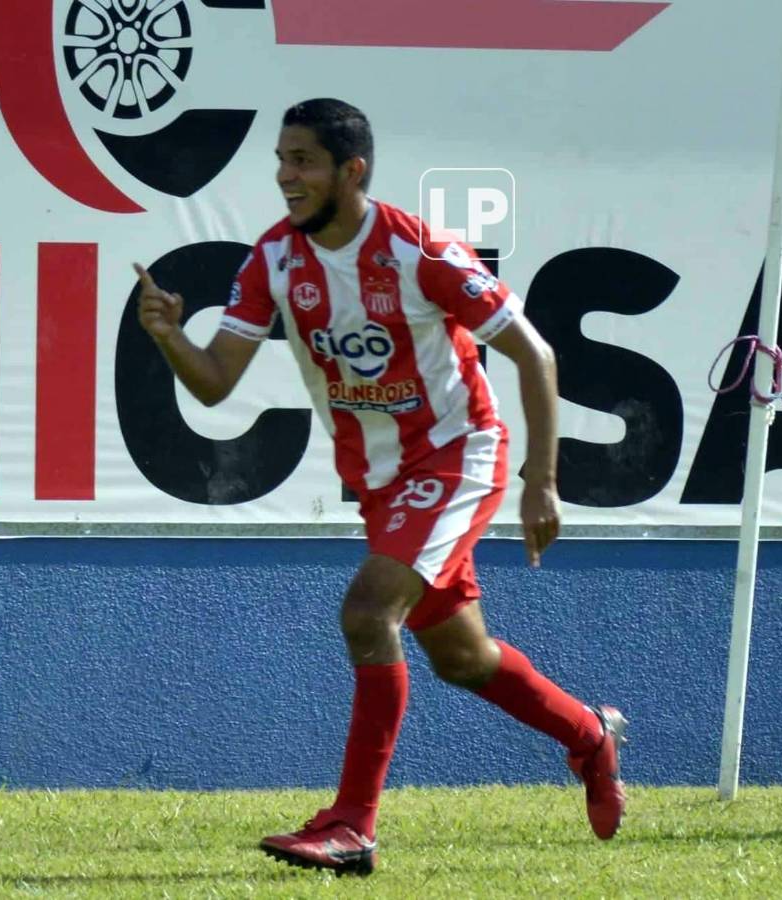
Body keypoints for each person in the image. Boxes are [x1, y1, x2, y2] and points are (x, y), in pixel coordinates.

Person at [135, 98, 627, 877]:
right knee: (462, 657)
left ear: (351, 170)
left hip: (458, 456)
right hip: (382, 481)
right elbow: (215, 382)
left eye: (302, 160)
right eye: (281, 159)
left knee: (368, 613)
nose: (285, 176)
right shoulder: (272, 259)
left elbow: (535, 354)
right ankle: (588, 736)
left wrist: (542, 481)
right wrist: (169, 336)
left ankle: (352, 827)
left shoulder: (417, 250)